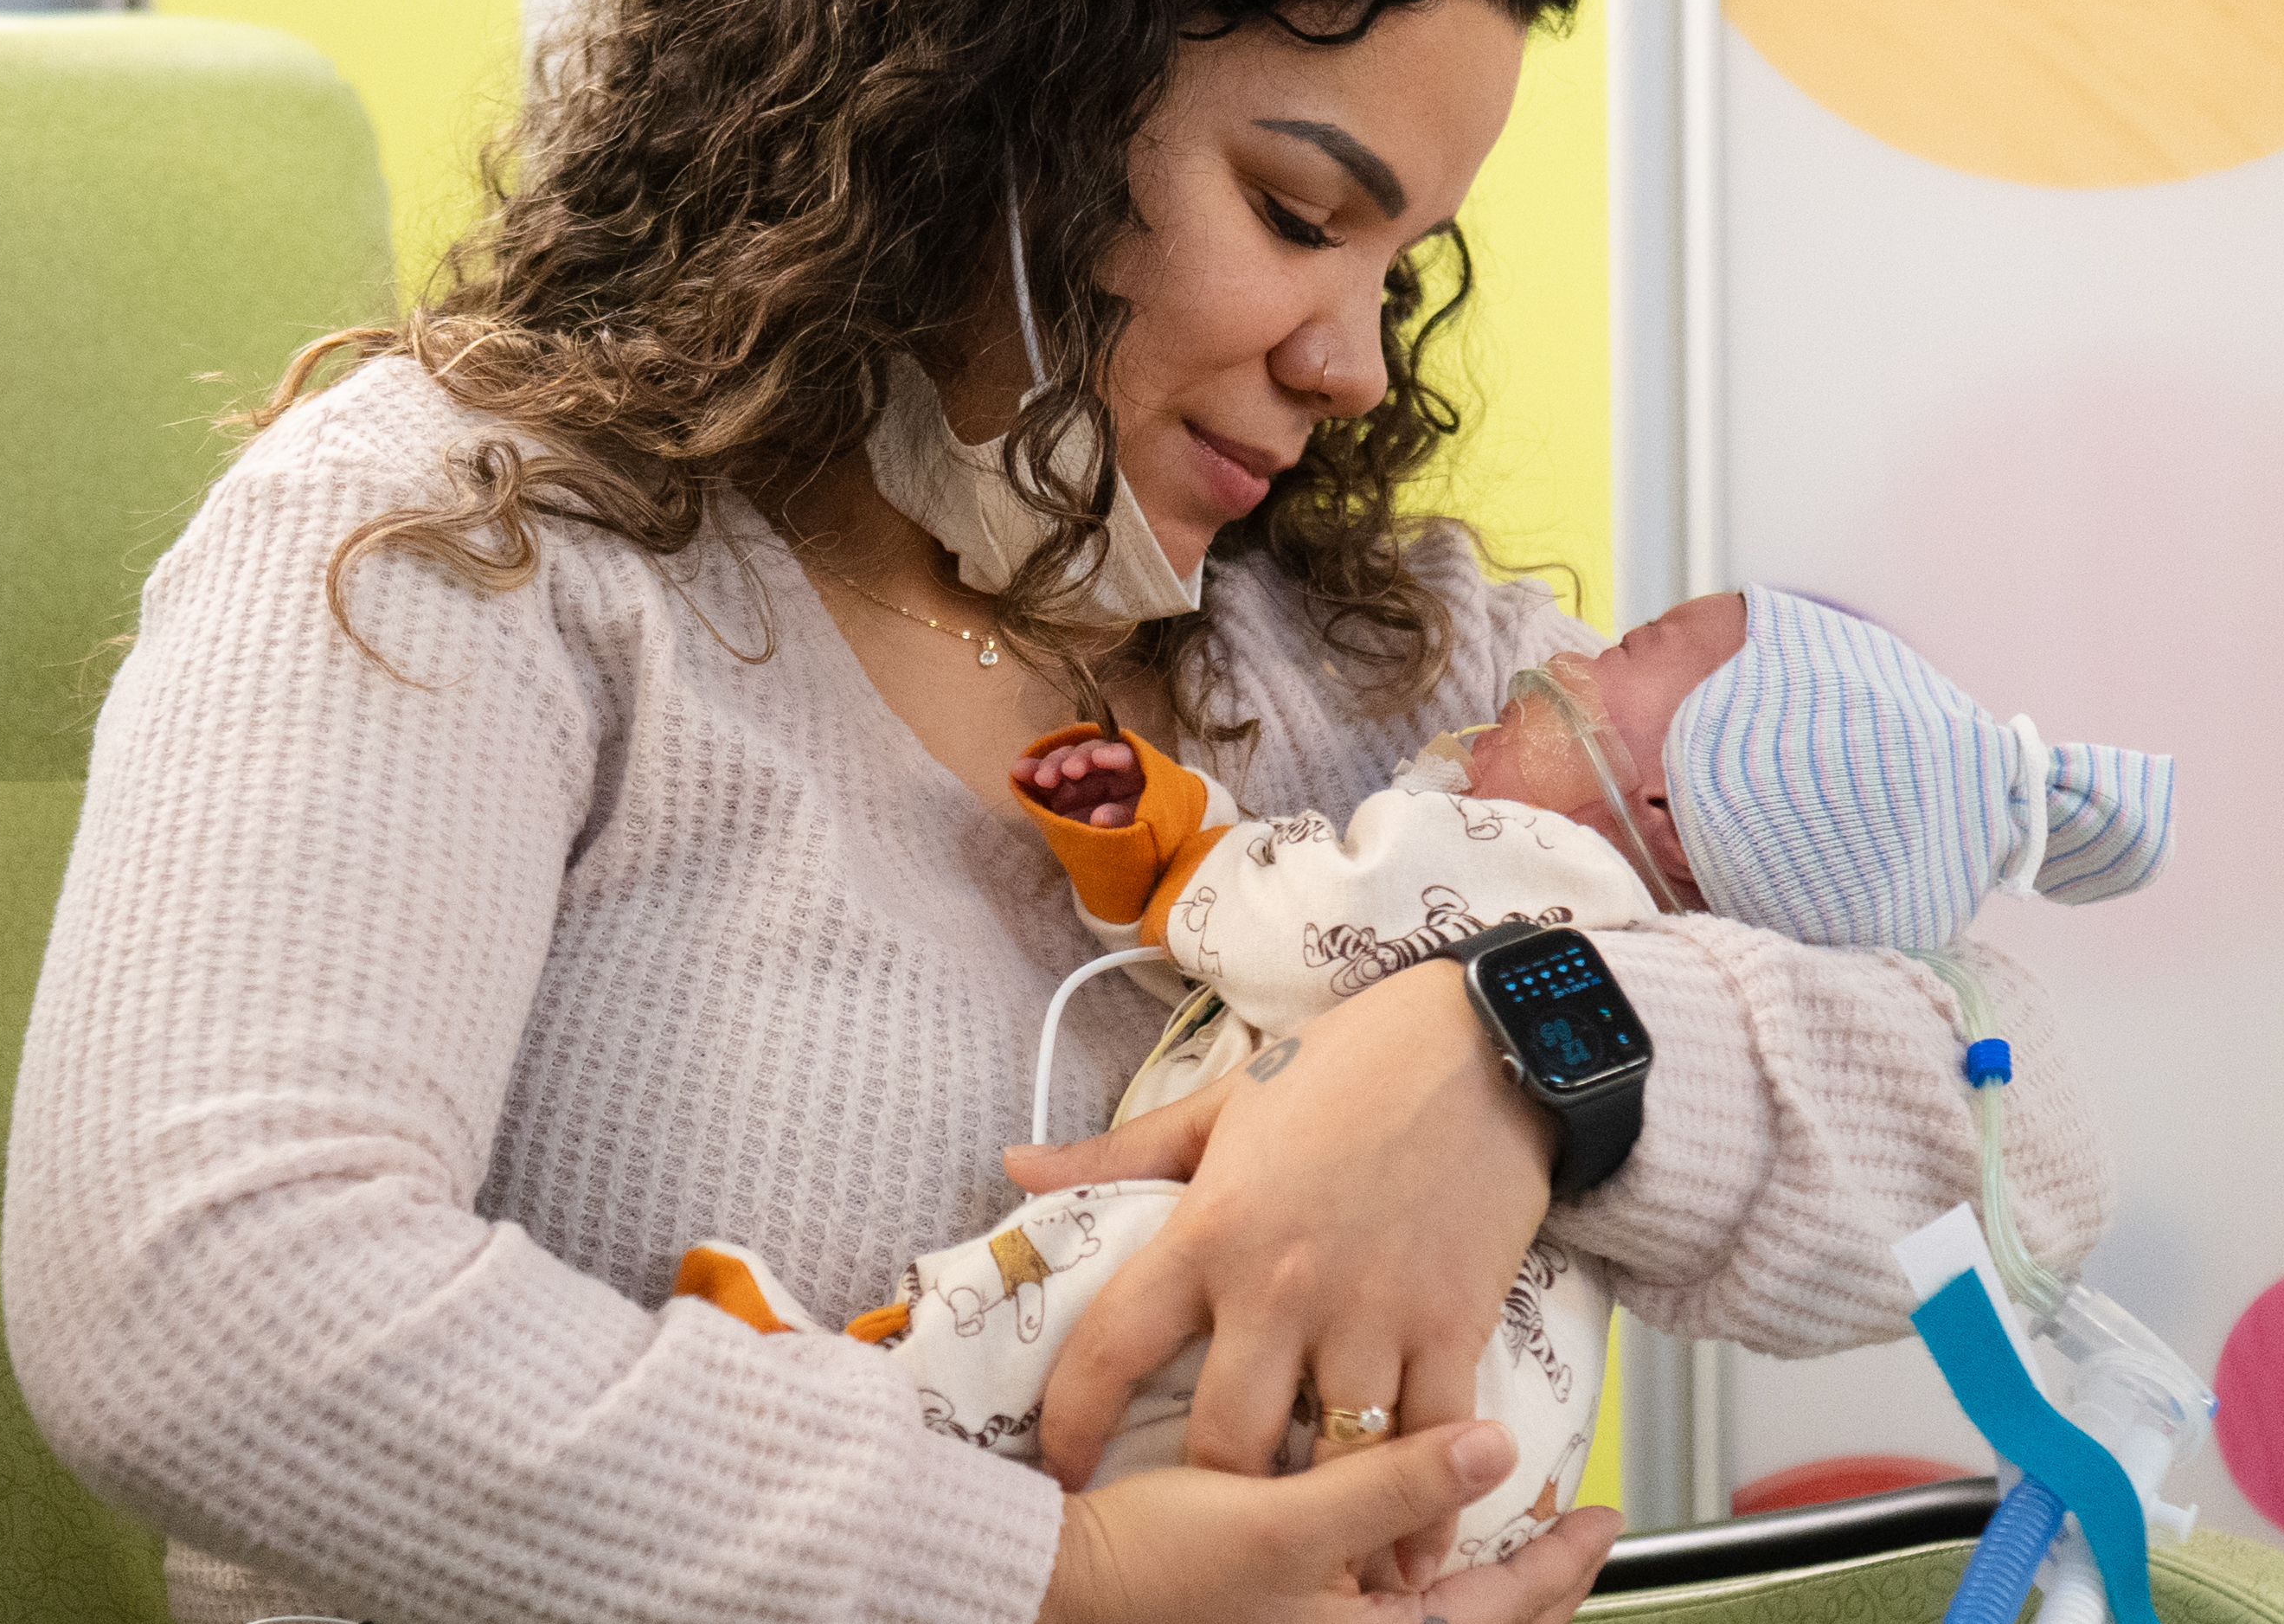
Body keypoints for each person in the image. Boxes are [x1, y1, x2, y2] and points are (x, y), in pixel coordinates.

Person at [1, 0, 2109, 1624]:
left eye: (1401, 265)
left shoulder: (1358, 665)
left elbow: (2034, 1141)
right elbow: (199, 1300)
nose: (1358, 361)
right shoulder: (471, 536)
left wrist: (1513, 1046)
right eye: (1298, 216)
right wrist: (1051, 1582)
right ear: (991, 107)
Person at [683, 590, 2177, 1581]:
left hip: (1288, 1346)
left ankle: (874, 1378)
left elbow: (1307, 912)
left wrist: (1176, 852)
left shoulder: (1524, 858)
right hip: (1476, 1459)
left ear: (1658, 799)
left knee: (1107, 1251)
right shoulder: (1597, 851)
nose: (1561, 656)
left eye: (1625, 651)